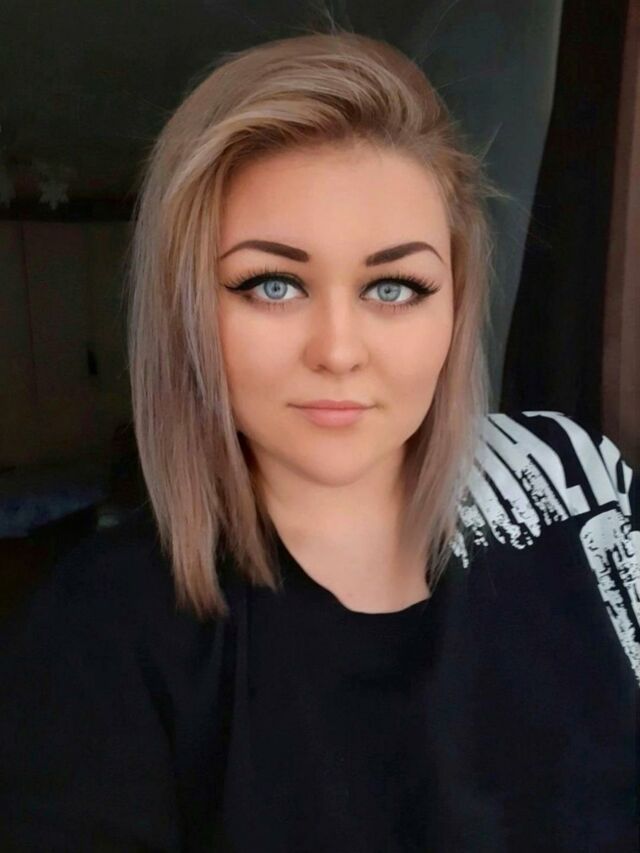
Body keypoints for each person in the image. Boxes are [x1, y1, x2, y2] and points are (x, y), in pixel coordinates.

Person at [0, 27, 638, 853]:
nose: (338, 350)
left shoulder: (567, 476)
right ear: (187, 310)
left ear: (456, 302)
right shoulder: (99, 635)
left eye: (394, 286)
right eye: (273, 284)